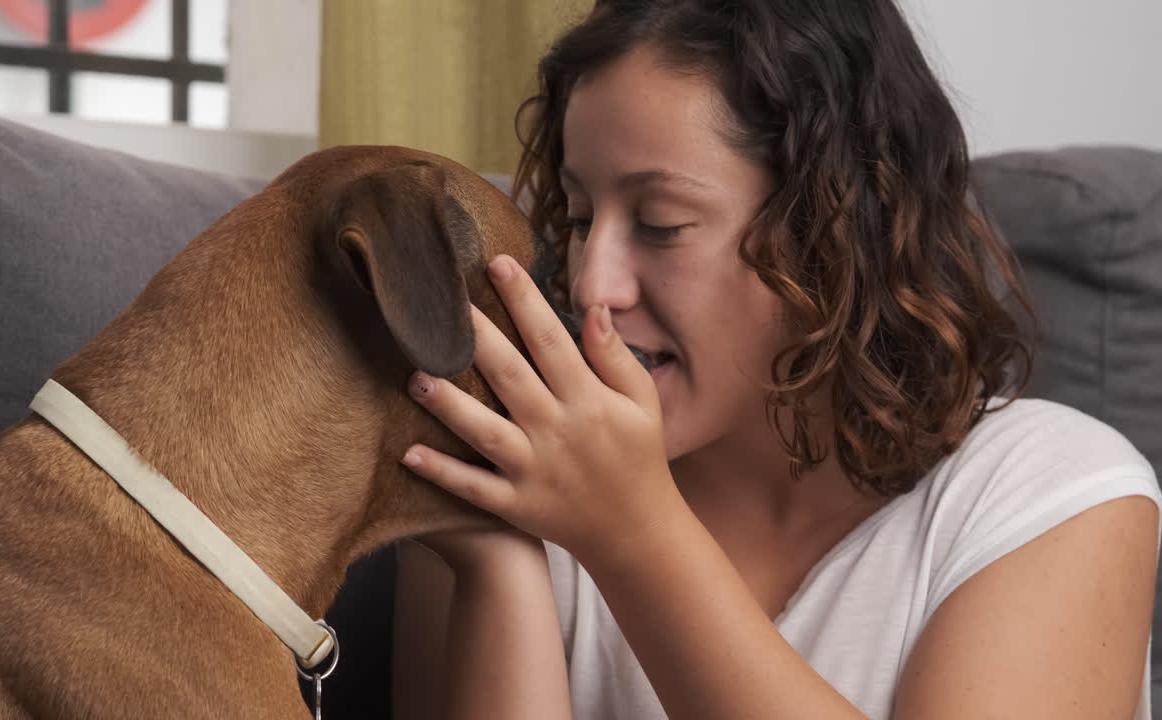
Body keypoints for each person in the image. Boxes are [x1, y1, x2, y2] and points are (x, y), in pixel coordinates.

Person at [391, 1, 1161, 718]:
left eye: (660, 223)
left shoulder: (1053, 496)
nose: (592, 281)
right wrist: (502, 568)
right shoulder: (509, 479)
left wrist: (631, 536)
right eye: (583, 217)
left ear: (832, 231)